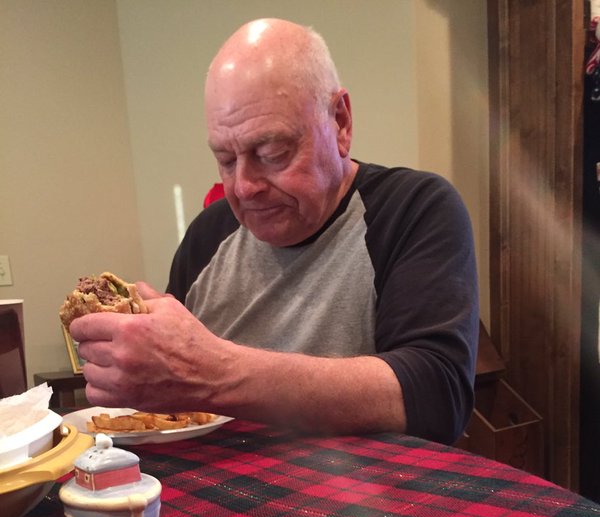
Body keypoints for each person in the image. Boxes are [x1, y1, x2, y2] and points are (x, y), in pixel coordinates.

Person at [70, 18, 479, 444]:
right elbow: (179, 410)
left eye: (272, 153)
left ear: (340, 123)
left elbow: (437, 396)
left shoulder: (412, 209)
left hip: (369, 501)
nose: (244, 187)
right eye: (226, 160)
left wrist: (214, 372)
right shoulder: (208, 236)